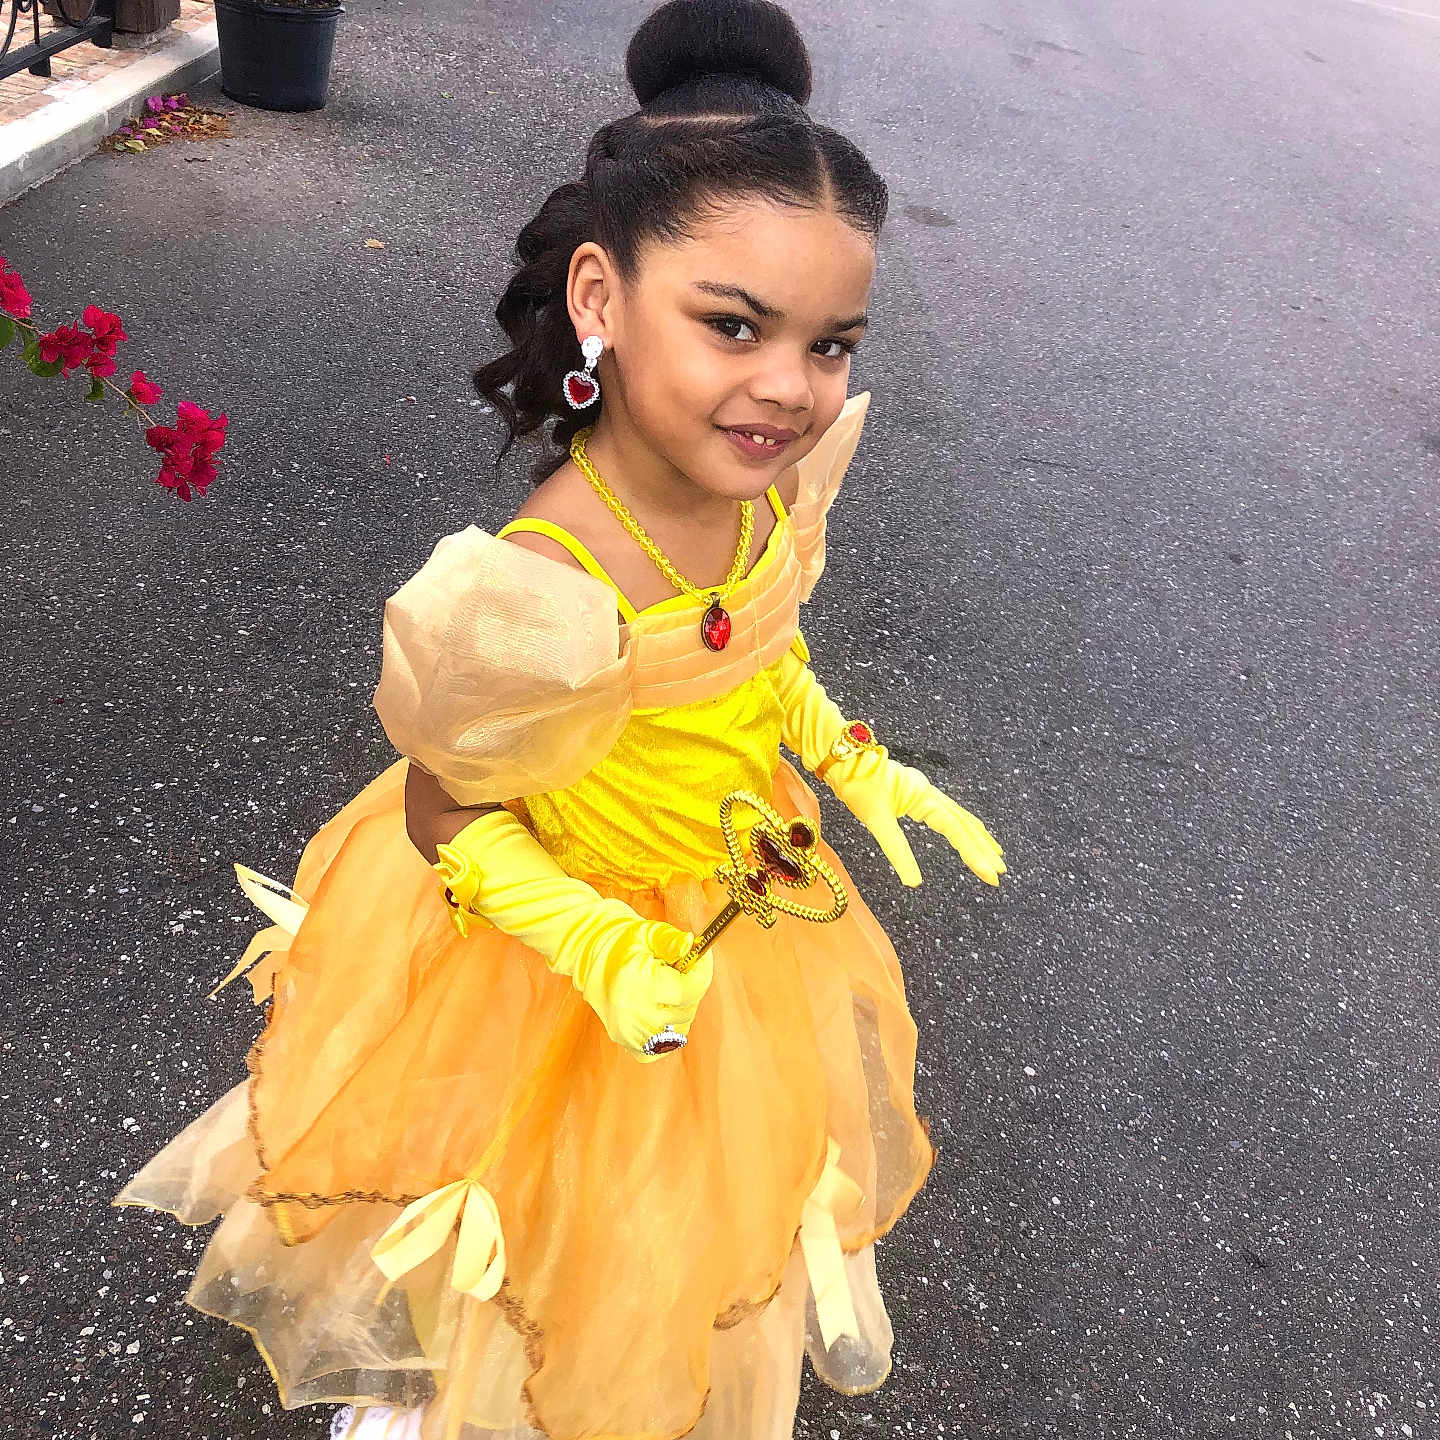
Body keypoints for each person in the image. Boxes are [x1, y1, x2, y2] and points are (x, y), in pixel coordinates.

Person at [115, 2, 1006, 1437]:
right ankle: (432, 1394)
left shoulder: (770, 481)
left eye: (832, 342)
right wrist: (588, 939)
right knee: (513, 1189)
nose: (788, 384)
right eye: (734, 325)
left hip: (725, 910)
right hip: (546, 948)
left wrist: (854, 758)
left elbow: (758, 650)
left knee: (667, 1209)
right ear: (602, 297)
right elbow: (438, 805)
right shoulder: (539, 587)